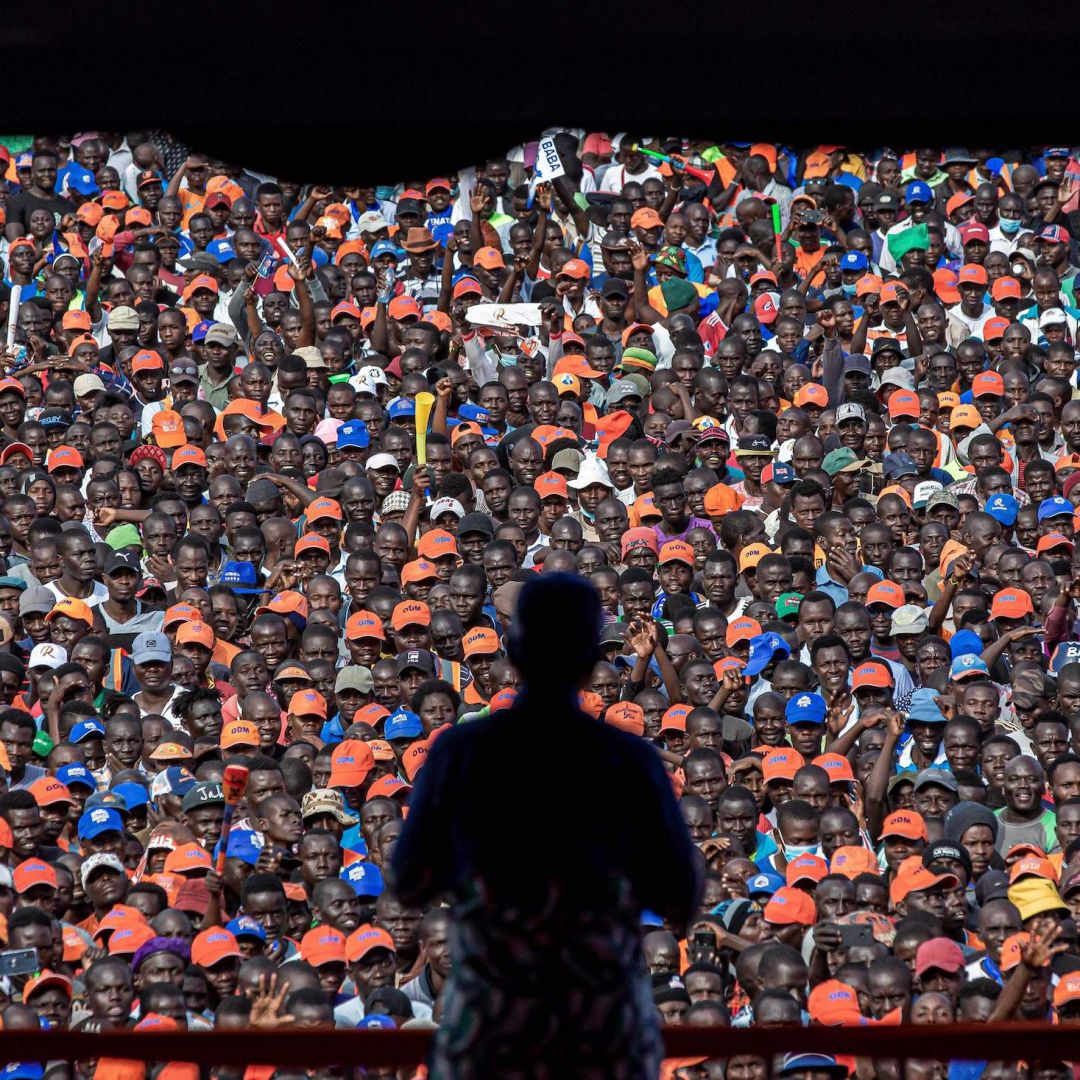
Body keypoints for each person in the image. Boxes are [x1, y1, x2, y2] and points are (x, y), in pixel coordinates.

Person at [392, 575, 699, 1077]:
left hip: (493, 1027)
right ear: (588, 656)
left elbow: (409, 879)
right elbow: (680, 895)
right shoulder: (629, 762)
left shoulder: (461, 754)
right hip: (600, 1029)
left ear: (513, 649)